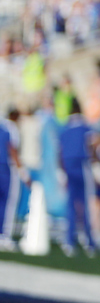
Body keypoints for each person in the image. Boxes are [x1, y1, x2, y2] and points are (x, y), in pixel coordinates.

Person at [58, 99, 96, 257]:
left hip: (67, 167)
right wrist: (97, 164)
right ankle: (89, 242)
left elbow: (59, 153)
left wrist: (61, 171)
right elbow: (92, 146)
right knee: (85, 205)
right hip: (81, 166)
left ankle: (69, 241)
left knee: (71, 206)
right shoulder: (85, 127)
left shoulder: (64, 129)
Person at [0, 108, 26, 251]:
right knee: (9, 204)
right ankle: (5, 236)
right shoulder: (12, 128)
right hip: (6, 170)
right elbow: (12, 150)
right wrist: (22, 172)